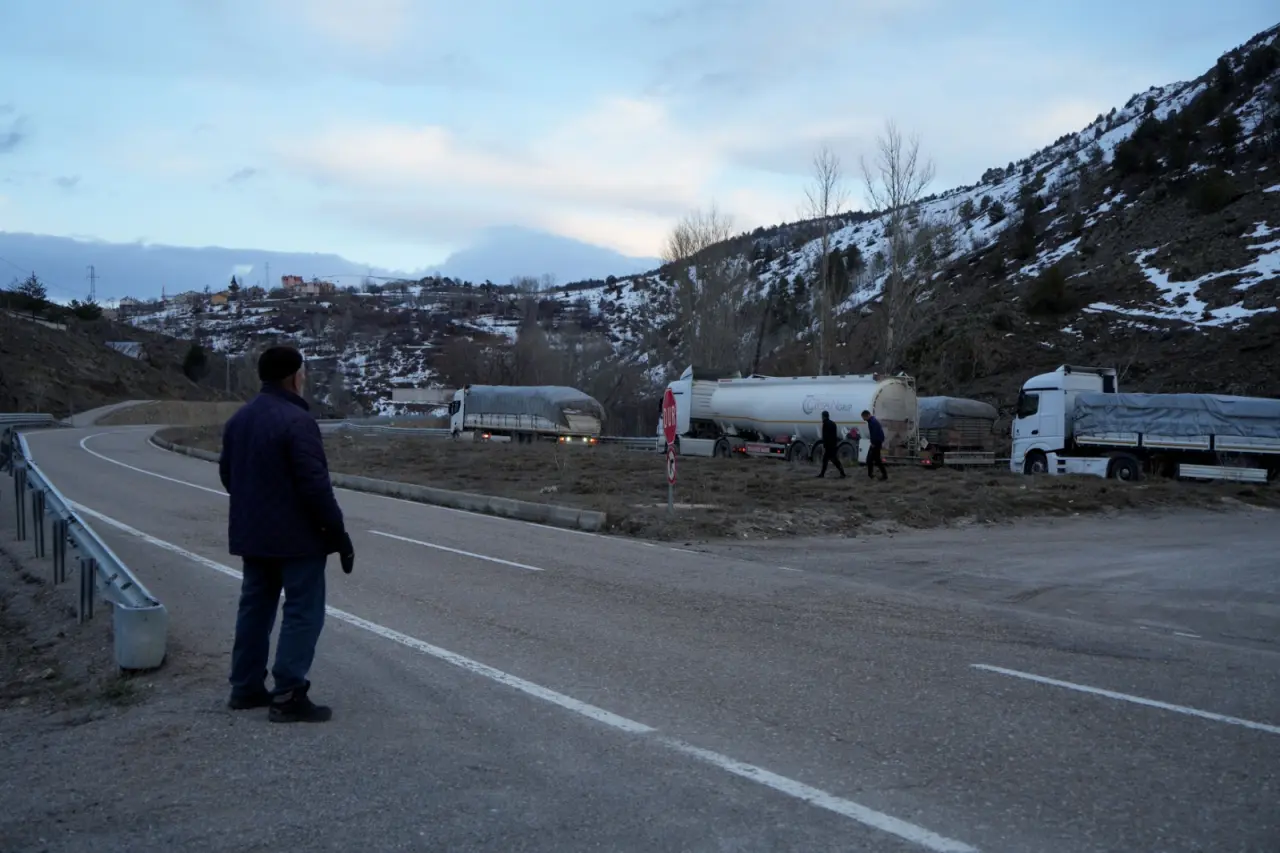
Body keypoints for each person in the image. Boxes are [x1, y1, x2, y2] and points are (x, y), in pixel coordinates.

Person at [220, 345, 355, 723]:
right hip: (297, 540)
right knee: (302, 610)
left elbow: (229, 476)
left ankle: (245, 687)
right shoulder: (298, 421)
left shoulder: (239, 420)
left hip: (253, 535)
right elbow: (315, 486)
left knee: (255, 608)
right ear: (294, 376)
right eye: (303, 373)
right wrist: (338, 533)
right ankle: (289, 693)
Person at [815, 410, 847, 478]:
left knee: (831, 460)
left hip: (829, 446)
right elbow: (834, 435)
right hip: (833, 445)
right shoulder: (833, 423)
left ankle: (823, 474)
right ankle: (841, 473)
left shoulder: (825, 424)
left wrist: (824, 445)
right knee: (831, 460)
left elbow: (826, 436)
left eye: (822, 416)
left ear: (823, 416)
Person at [862, 409, 888, 481]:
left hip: (876, 443)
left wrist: (873, 443)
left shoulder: (873, 422)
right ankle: (873, 475)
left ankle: (874, 475)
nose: (864, 419)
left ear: (867, 415)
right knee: (875, 460)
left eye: (864, 418)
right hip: (876, 443)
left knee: (872, 460)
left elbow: (875, 433)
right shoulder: (871, 421)